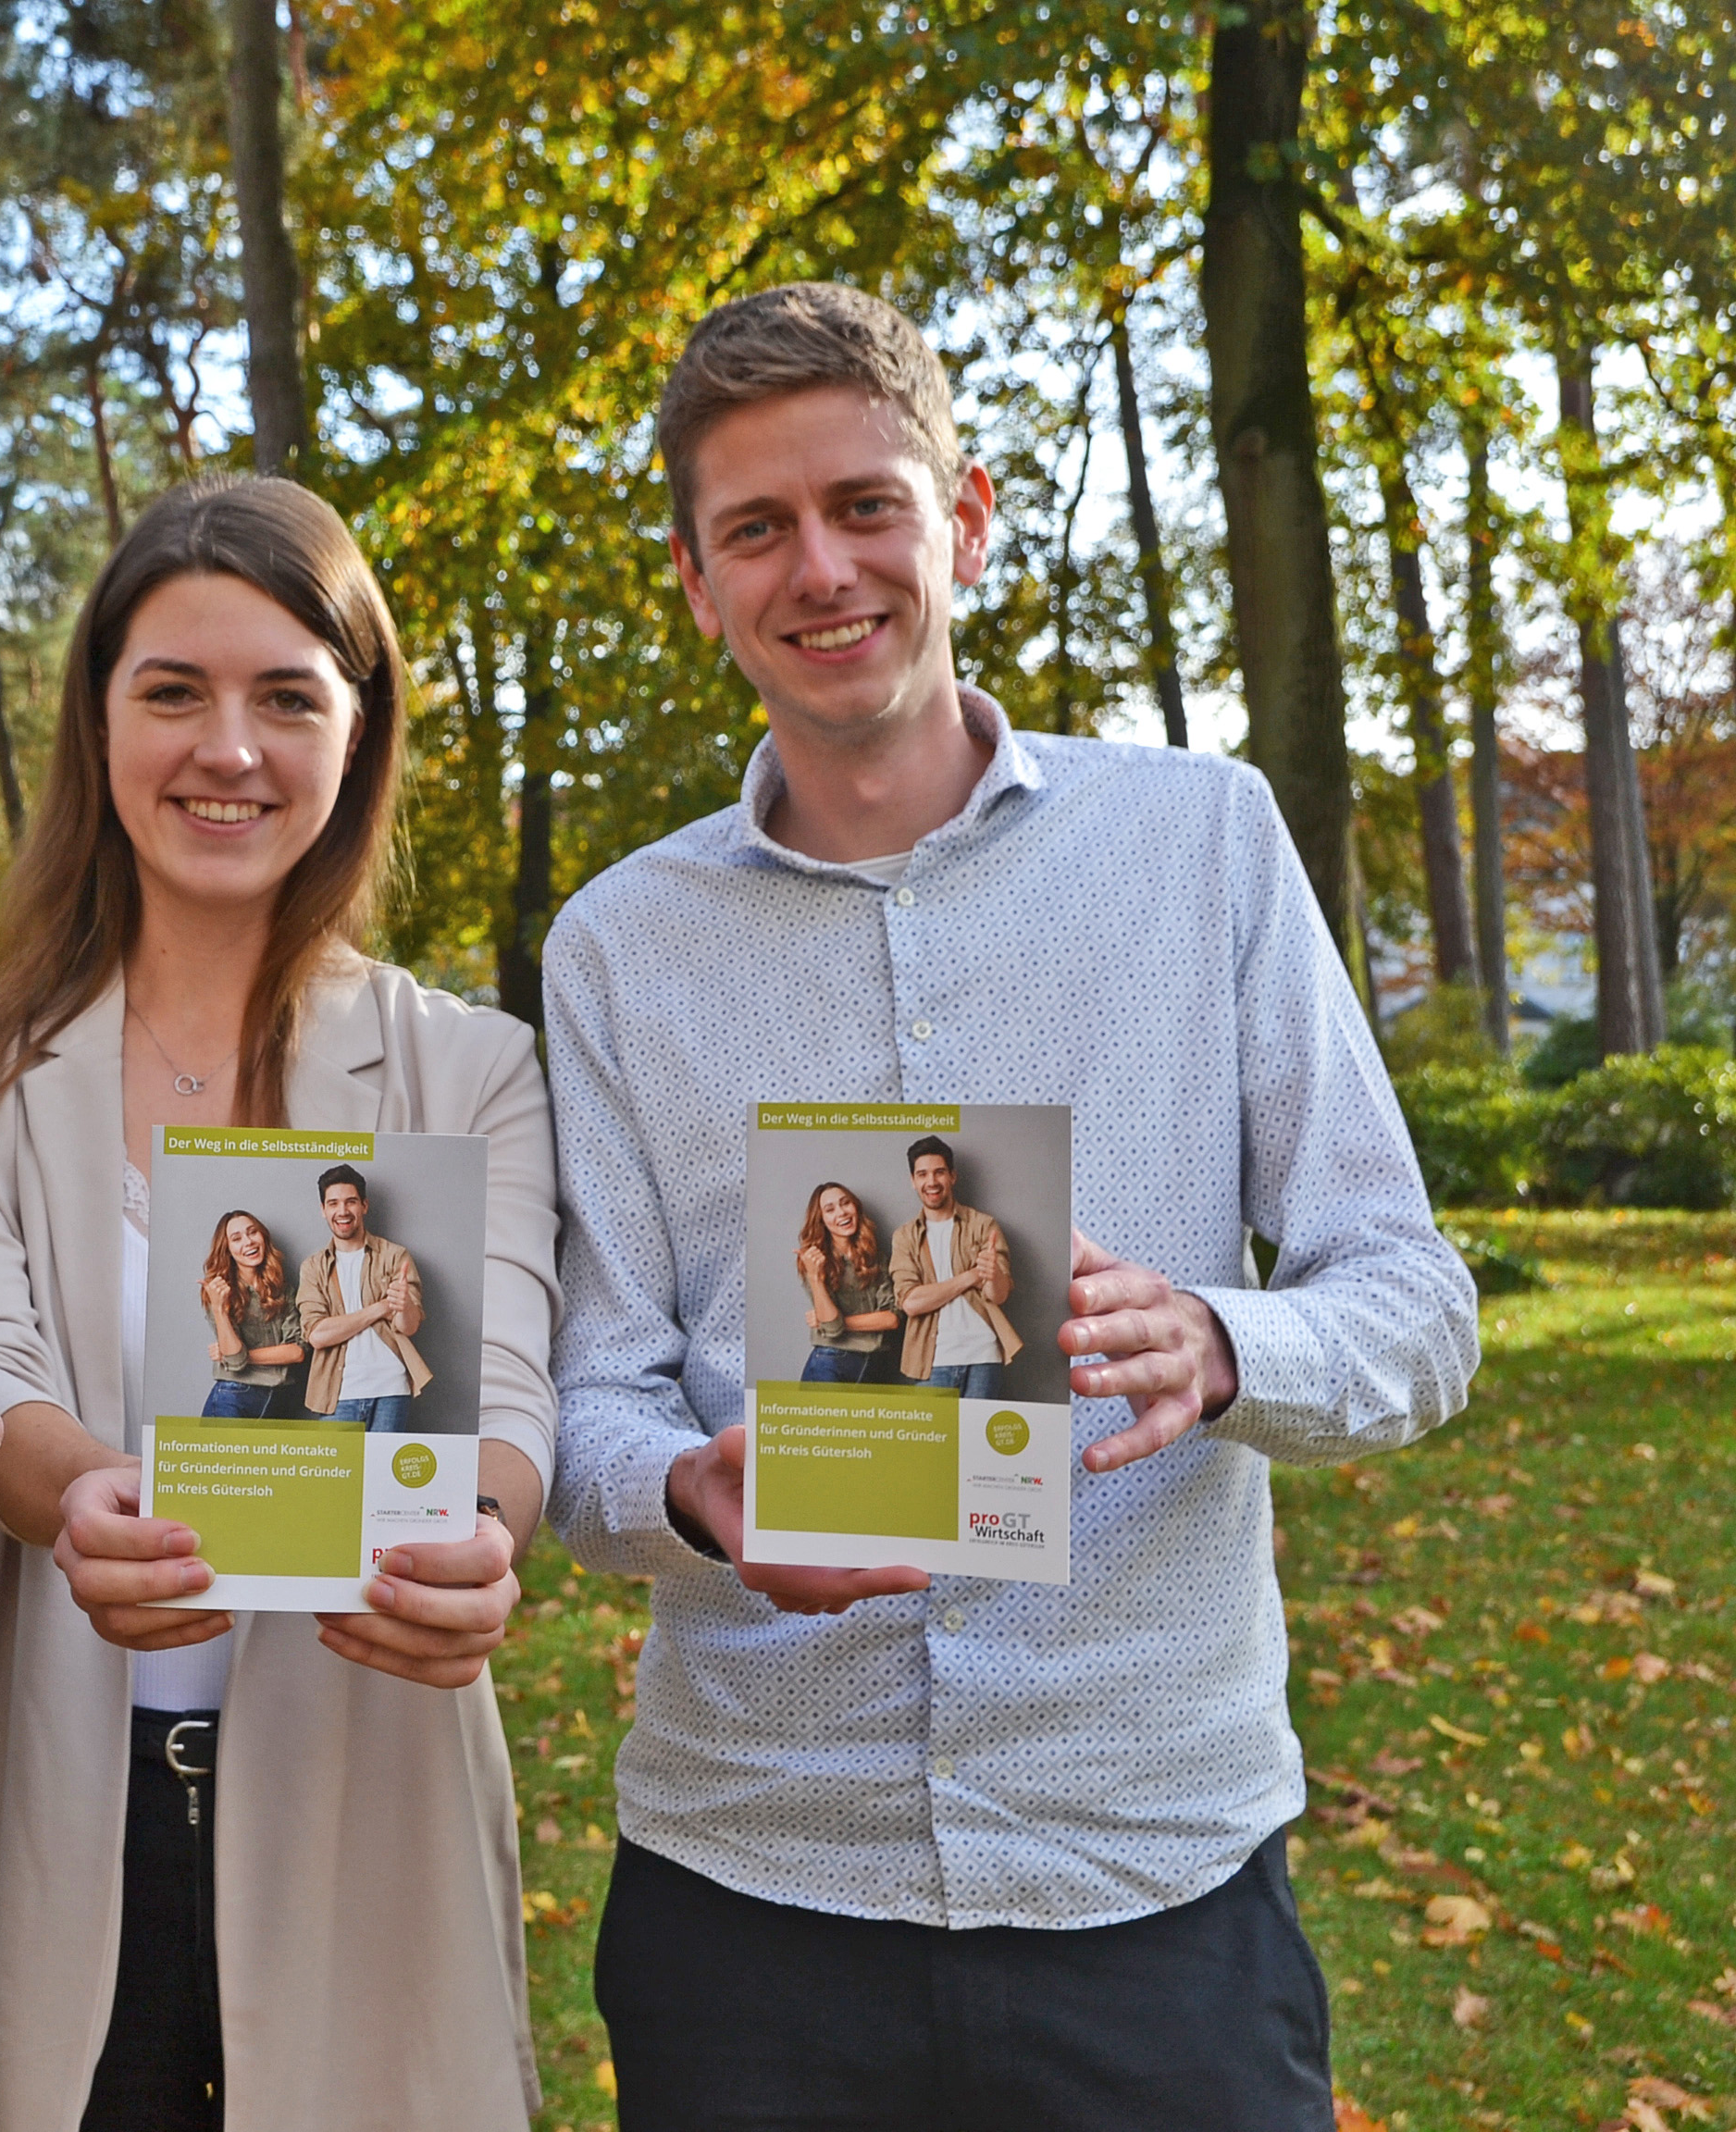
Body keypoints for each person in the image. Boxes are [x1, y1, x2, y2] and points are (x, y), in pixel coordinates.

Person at [542, 284, 1479, 2130]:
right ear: (698, 582)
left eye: (866, 505)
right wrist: (684, 1498)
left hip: (1151, 1894)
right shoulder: (616, 949)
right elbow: (587, 1395)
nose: (822, 568)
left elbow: (1414, 1304)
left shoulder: (1202, 846)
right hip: (753, 1899)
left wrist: (1228, 1342)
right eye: (759, 529)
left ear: (963, 521)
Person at [0, 476, 560, 2132]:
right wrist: (80, 1492)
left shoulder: (469, 1064)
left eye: (286, 696)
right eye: (173, 690)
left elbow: (505, 1376)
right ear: (98, 723)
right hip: (57, 1792)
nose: (226, 746)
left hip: (364, 1785)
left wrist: (490, 1537)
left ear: (355, 734)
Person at [293, 1164, 428, 1432]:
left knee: (381, 1474)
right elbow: (317, 1335)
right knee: (337, 1473)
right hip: (338, 1392)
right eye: (333, 1203)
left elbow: (408, 1327)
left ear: (364, 1205)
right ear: (323, 1210)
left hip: (391, 1389)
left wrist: (404, 1305)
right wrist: (380, 1308)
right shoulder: (313, 1267)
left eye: (350, 1202)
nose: (342, 1211)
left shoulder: (395, 1256)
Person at [886, 1134, 1020, 1397]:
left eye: (939, 1172)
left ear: (952, 1176)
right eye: (922, 1174)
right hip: (932, 1360)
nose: (932, 1182)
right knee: (934, 1439)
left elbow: (998, 1295)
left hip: (984, 1356)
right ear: (913, 1181)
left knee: (976, 1439)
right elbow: (911, 1302)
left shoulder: (984, 1225)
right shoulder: (904, 1237)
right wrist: (971, 1276)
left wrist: (993, 1275)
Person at [196, 1209, 306, 1418]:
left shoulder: (284, 1291)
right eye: (236, 1238)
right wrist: (219, 1308)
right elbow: (236, 1361)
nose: (248, 1242)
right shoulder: (218, 1291)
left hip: (278, 1401)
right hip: (233, 1398)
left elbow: (296, 1352)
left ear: (263, 1237)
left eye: (252, 1232)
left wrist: (235, 1356)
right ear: (227, 1249)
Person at [791, 1182, 900, 1384]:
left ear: (856, 1208)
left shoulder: (877, 1258)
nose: (841, 1212)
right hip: (830, 1362)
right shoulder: (813, 1261)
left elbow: (891, 1319)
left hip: (875, 1365)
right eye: (830, 1209)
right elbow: (832, 1328)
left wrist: (837, 1322)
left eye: (845, 1203)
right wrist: (815, 1277)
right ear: (822, 1220)